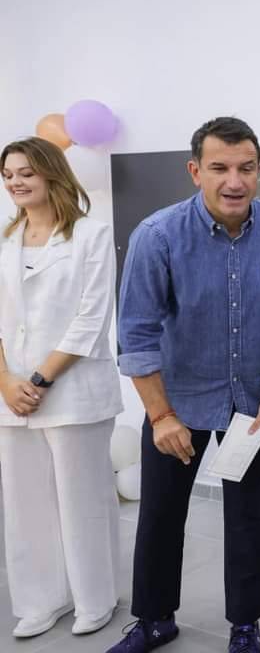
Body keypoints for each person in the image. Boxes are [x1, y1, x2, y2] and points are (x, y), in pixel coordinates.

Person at [109, 117, 260, 653]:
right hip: (176, 405)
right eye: (219, 167)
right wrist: (160, 417)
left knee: (249, 520)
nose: (234, 181)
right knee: (160, 515)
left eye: (246, 168)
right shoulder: (157, 236)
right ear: (195, 170)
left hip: (252, 404)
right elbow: (136, 337)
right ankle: (154, 619)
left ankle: (245, 624)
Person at [0, 137, 123, 638]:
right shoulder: (5, 240)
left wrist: (38, 380)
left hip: (72, 391)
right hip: (12, 396)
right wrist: (6, 382)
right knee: (24, 503)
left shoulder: (91, 235)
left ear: (52, 173)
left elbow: (91, 319)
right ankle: (40, 599)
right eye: (8, 175)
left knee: (83, 500)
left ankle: (96, 597)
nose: (16, 182)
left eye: (26, 172)